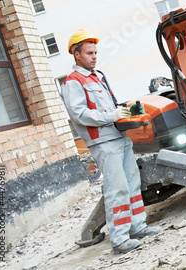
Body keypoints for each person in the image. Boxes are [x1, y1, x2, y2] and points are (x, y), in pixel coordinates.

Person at [61, 29, 162, 254]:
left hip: (119, 136)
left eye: (96, 52)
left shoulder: (97, 76)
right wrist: (110, 117)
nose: (94, 56)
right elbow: (79, 113)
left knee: (132, 184)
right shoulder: (72, 82)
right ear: (77, 55)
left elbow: (108, 107)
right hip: (103, 141)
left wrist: (125, 112)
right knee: (117, 189)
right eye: (89, 53)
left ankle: (137, 227)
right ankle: (119, 239)